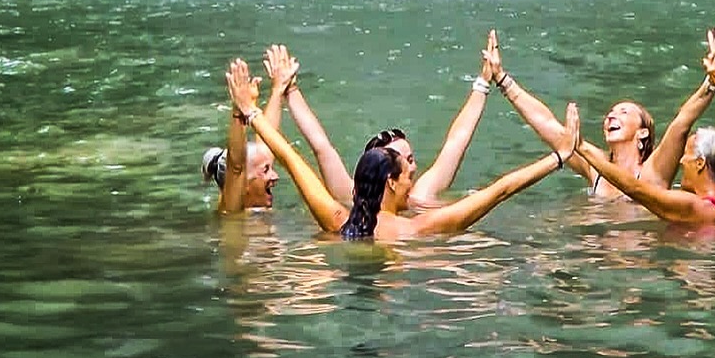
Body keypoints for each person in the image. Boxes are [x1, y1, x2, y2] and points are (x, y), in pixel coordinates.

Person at [225, 57, 576, 240]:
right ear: (391, 182)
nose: (414, 174)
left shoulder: (337, 218)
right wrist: (559, 156)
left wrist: (250, 111)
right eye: (408, 170)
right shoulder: (419, 229)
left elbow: (291, 157)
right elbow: (500, 190)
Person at [485, 27, 715, 202]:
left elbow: (682, 122)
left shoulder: (655, 170)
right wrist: (503, 81)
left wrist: (713, 82)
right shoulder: (595, 166)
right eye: (610, 113)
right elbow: (548, 126)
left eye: (623, 112)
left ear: (643, 132)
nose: (611, 116)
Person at [261, 31, 498, 209]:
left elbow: (456, 144)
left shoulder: (421, 197)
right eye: (403, 161)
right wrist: (289, 90)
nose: (412, 168)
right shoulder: (352, 198)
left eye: (412, 159)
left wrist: (484, 83)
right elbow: (321, 146)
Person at [564, 36, 715, 227]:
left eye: (686, 154)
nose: (681, 161)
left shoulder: (691, 205)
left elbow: (633, 188)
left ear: (700, 163)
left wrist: (582, 147)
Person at [205, 56, 284, 212]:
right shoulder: (232, 211)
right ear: (243, 184)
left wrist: (278, 90)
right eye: (265, 170)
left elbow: (267, 146)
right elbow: (236, 167)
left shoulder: (258, 205)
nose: (276, 177)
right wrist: (238, 111)